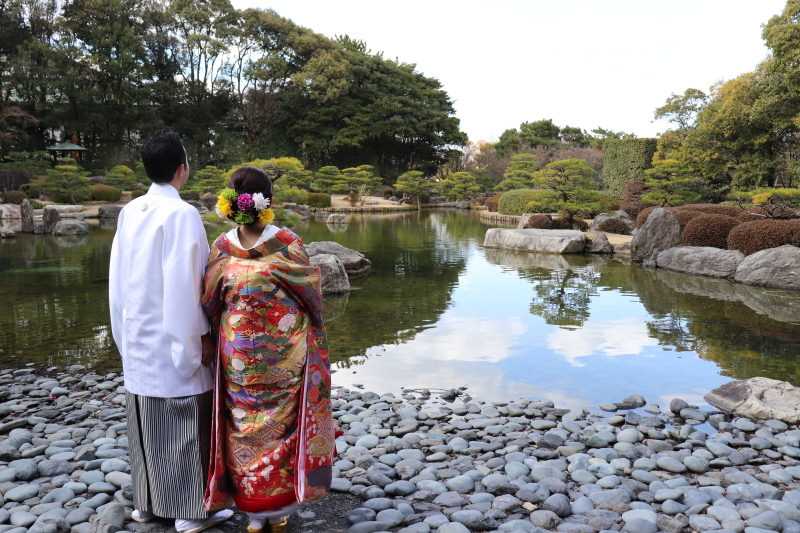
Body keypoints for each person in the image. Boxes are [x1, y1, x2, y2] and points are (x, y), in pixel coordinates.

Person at [108, 130, 233, 533]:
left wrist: (120, 333)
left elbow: (118, 278)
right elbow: (185, 285)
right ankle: (189, 512)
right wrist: (195, 342)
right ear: (183, 169)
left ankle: (147, 503)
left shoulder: (132, 210)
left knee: (145, 423)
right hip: (169, 335)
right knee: (183, 427)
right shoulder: (181, 214)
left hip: (136, 332)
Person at [201, 166, 335, 533]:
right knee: (281, 426)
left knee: (242, 425)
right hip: (284, 357)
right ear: (268, 203)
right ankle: (278, 510)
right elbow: (312, 297)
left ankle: (253, 514)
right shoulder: (288, 244)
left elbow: (210, 302)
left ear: (230, 203)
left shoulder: (221, 248)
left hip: (238, 358)